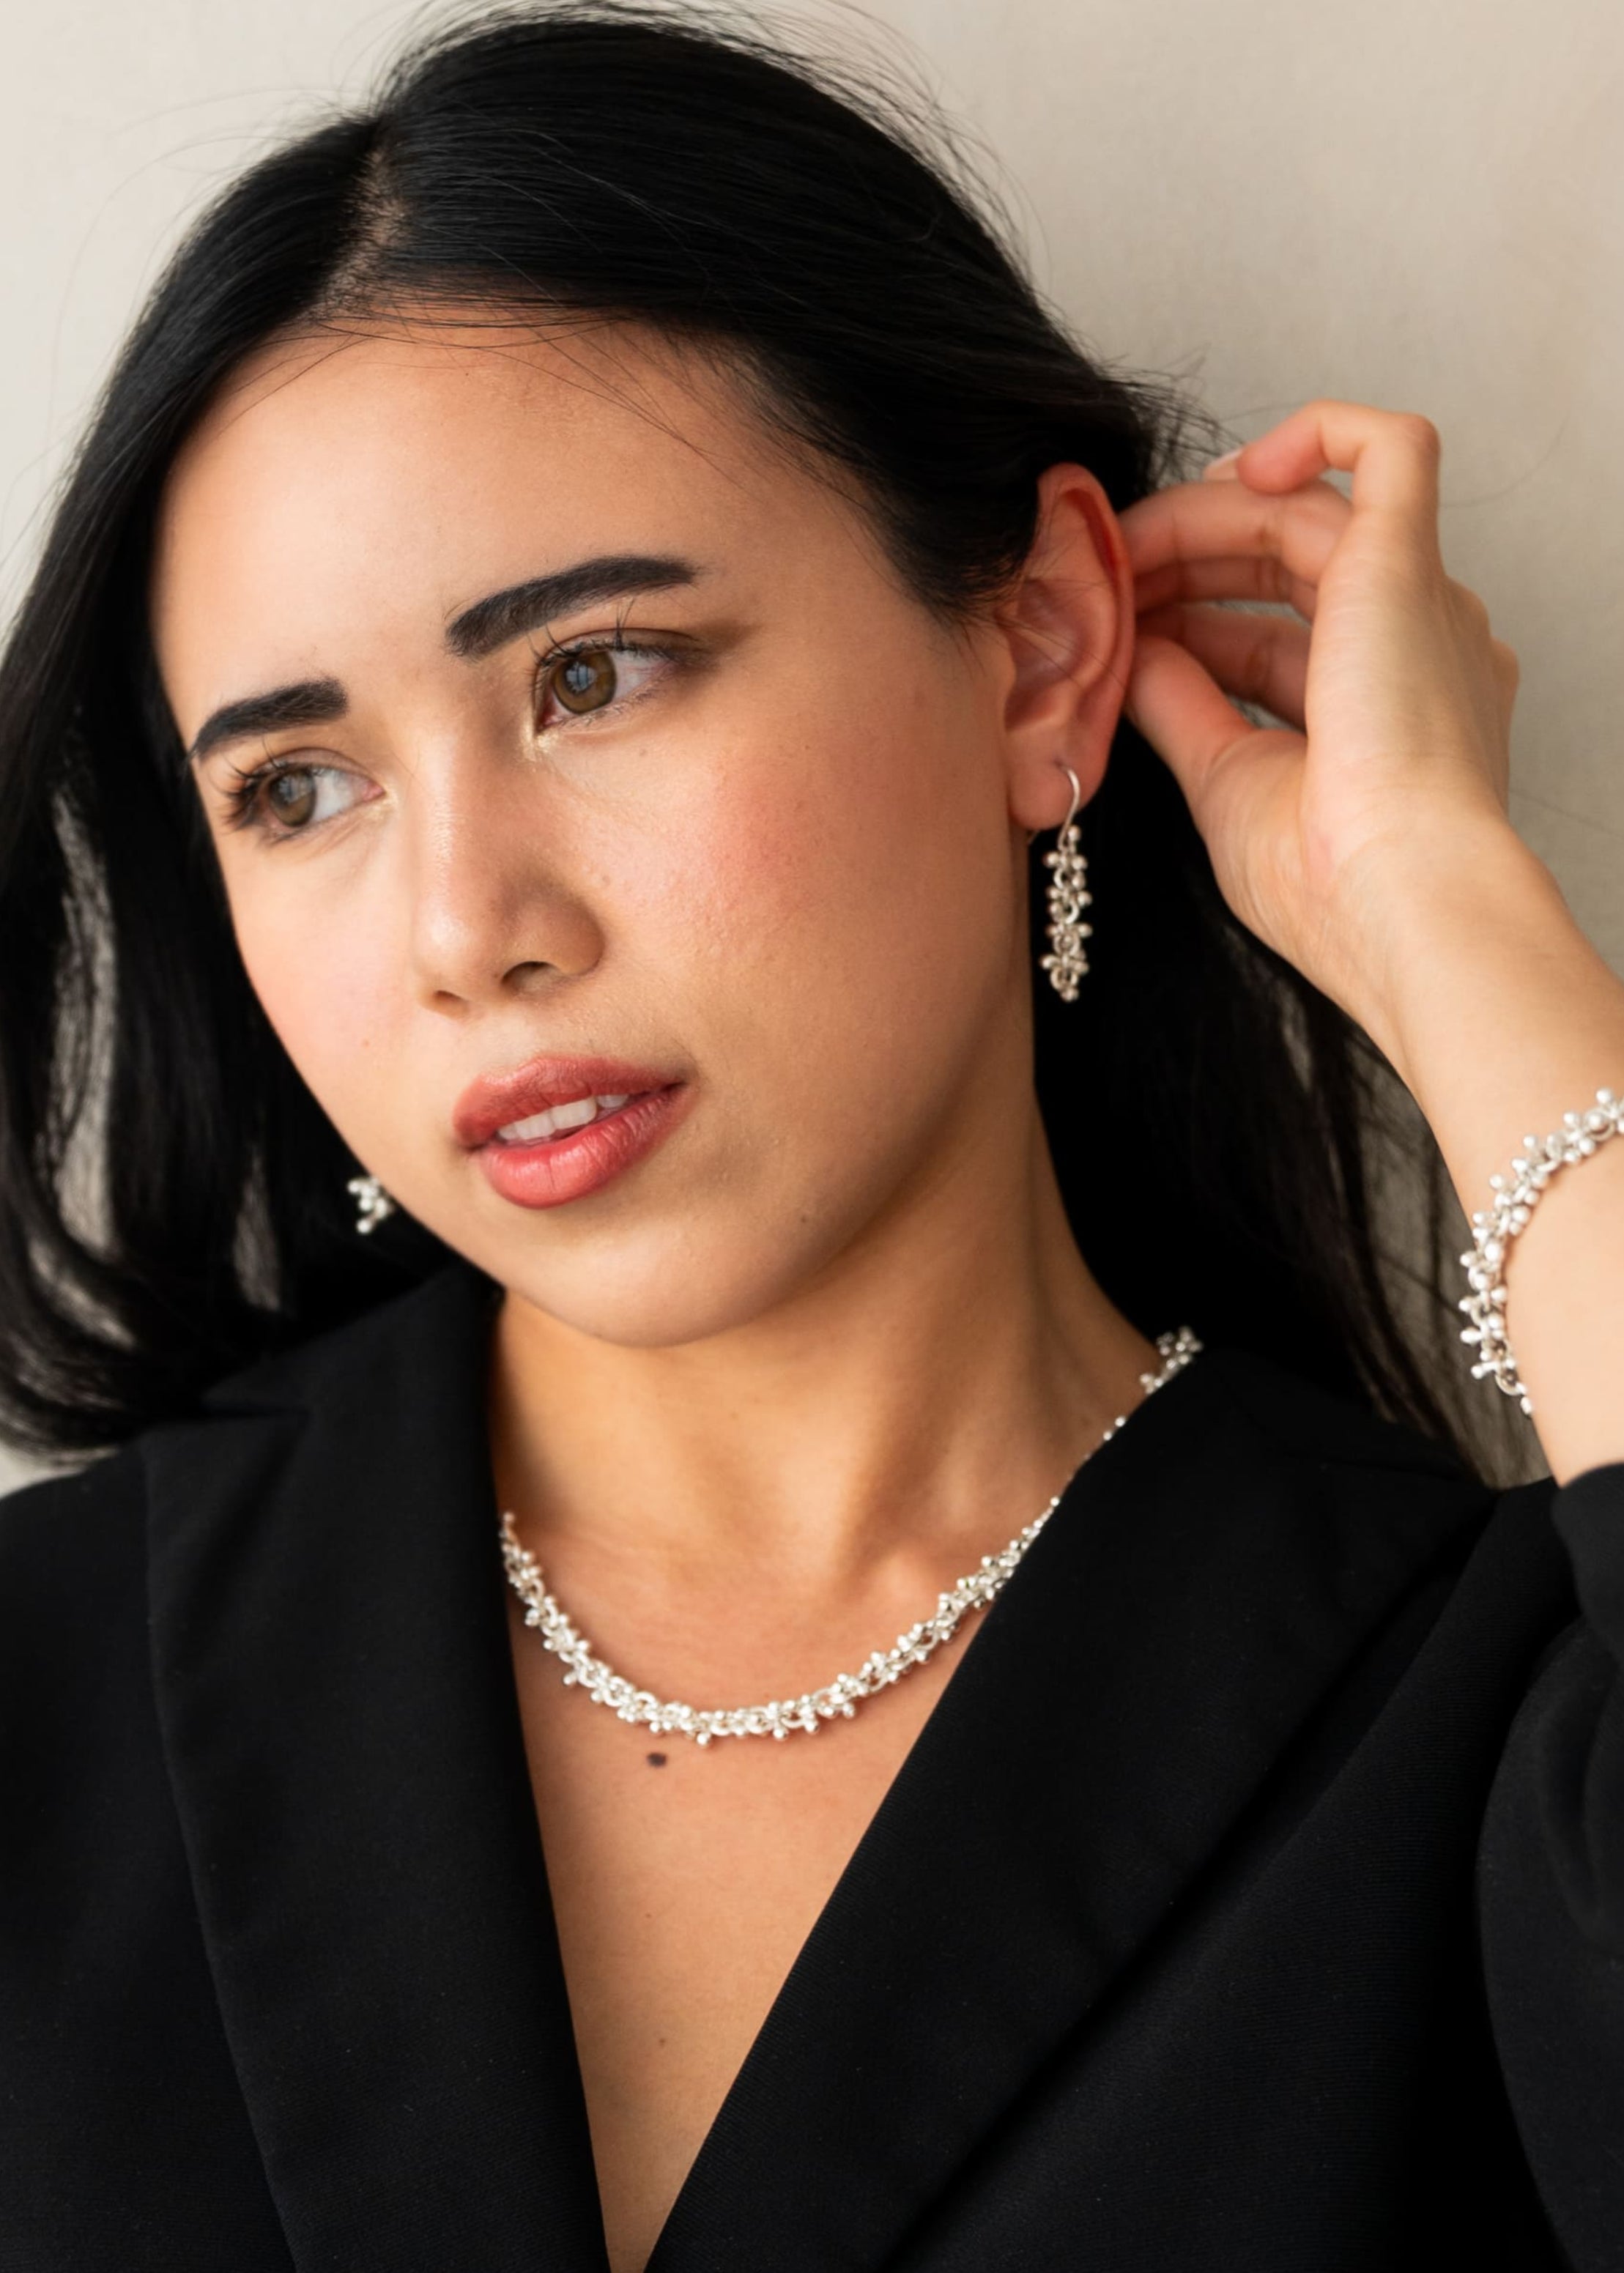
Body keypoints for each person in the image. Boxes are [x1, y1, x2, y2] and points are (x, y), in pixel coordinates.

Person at [1, 7, 1620, 2269]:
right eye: (299, 788)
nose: (465, 931)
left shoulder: (1476, 1720)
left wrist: (1440, 916)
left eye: (593, 672)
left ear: (1039, 644)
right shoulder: (52, 1685)